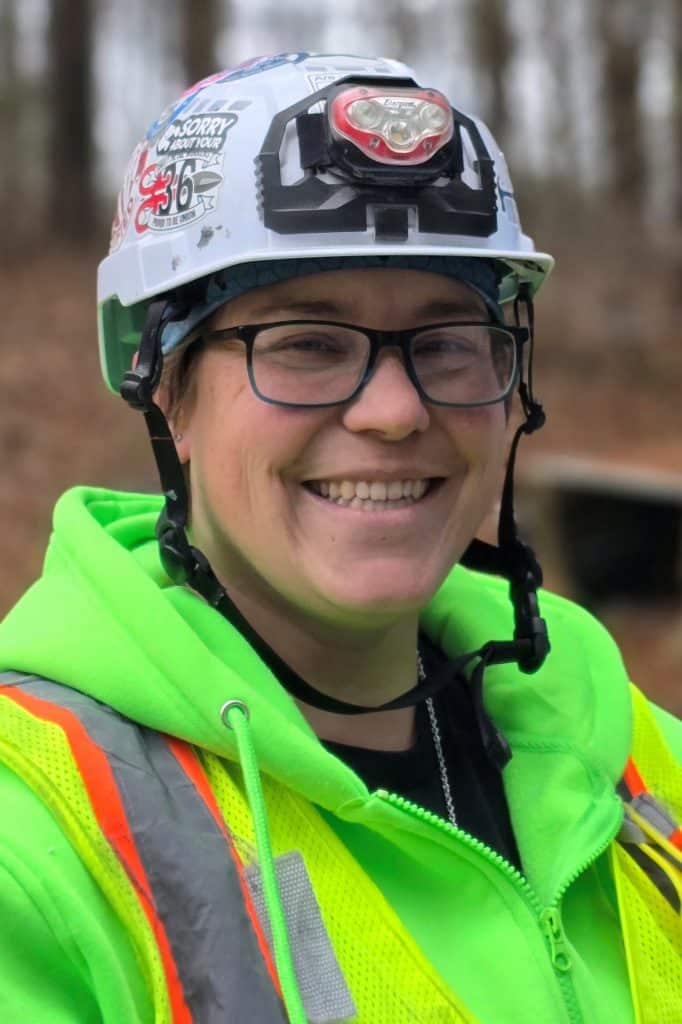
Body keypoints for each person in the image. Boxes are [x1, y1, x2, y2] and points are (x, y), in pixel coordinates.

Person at [0, 52, 679, 1024]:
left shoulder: (624, 749)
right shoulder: (33, 841)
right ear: (167, 392)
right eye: (308, 344)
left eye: (446, 342)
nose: (395, 411)